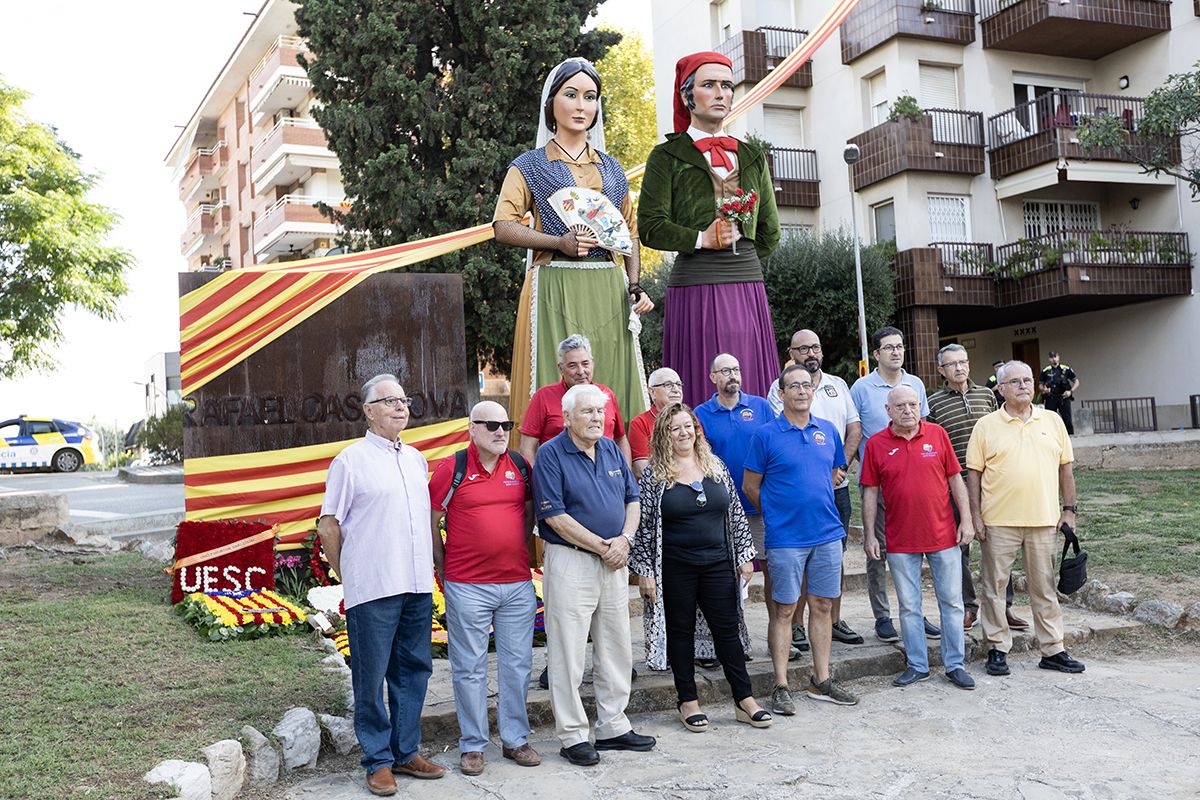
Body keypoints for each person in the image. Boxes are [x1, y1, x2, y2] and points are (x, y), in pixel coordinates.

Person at [493, 57, 653, 428]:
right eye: (571, 94)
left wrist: (634, 286)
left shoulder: (613, 168)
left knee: (611, 377)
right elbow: (503, 226)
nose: (582, 105)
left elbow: (629, 233)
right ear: (551, 103)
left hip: (608, 288)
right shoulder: (529, 165)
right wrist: (558, 241)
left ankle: (622, 473)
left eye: (590, 96)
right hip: (554, 283)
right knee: (553, 385)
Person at [318, 374, 446, 796]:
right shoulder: (350, 461)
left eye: (403, 400)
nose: (399, 406)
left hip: (415, 582)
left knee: (414, 670)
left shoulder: (415, 459)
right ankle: (377, 760)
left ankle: (405, 751)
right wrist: (346, 573)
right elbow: (328, 525)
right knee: (371, 677)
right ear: (368, 411)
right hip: (372, 586)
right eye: (388, 401)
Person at [638, 51, 781, 408]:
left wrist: (740, 256)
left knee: (750, 384)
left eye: (727, 85)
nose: (721, 93)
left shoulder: (751, 156)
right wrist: (702, 239)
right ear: (688, 96)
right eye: (709, 85)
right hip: (694, 287)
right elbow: (650, 228)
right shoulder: (666, 156)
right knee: (701, 381)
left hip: (746, 286)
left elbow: (770, 231)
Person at [532, 383, 656, 766]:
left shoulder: (610, 449)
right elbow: (554, 516)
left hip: (615, 559)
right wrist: (605, 547)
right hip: (573, 560)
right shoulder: (552, 454)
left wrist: (625, 540)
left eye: (600, 412)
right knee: (568, 651)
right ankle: (572, 735)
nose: (596, 418)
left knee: (616, 644)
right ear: (567, 417)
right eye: (587, 412)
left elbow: (631, 500)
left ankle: (613, 726)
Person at [630, 403, 771, 731]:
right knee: (681, 634)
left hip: (718, 563)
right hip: (676, 567)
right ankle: (688, 701)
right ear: (665, 433)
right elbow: (646, 525)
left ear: (696, 430)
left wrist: (744, 555)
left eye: (688, 426)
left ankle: (744, 699)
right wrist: (646, 572)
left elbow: (734, 511)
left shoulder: (714, 465)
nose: (683, 433)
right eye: (675, 428)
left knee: (728, 631)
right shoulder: (654, 473)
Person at [429, 401, 540, 776]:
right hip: (468, 585)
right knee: (469, 668)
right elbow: (433, 520)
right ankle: (473, 745)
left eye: (506, 424)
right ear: (472, 429)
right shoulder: (453, 468)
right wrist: (443, 568)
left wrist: (516, 551)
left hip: (516, 585)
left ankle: (515, 740)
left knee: (518, 666)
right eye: (490, 424)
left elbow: (527, 514)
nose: (500, 431)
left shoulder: (521, 467)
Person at [744, 364, 859, 713]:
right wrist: (778, 512)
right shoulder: (765, 435)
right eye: (793, 386)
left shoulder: (827, 431)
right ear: (781, 393)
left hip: (825, 534)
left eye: (806, 385)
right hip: (785, 539)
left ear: (813, 391)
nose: (801, 391)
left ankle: (820, 679)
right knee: (784, 610)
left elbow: (835, 473)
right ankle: (780, 685)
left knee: (822, 606)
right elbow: (751, 486)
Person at [966, 360, 1086, 677]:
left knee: (1044, 588)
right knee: (994, 587)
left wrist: (1069, 510)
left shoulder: (1053, 420)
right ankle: (996, 648)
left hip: (1044, 520)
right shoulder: (986, 426)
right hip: (998, 521)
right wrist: (975, 515)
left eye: (1028, 380)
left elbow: (1066, 469)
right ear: (1001, 388)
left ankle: (1053, 650)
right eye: (1015, 381)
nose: (1023, 385)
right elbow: (973, 474)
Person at [860, 385, 976, 691]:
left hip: (944, 536)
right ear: (888, 411)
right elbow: (870, 492)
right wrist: (870, 534)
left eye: (912, 404)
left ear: (919, 405)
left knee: (951, 603)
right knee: (909, 606)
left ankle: (955, 665)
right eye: (900, 406)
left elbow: (955, 480)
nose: (907, 410)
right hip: (900, 541)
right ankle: (917, 665)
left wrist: (965, 520)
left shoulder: (938, 435)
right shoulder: (876, 444)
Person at [767, 329, 864, 651]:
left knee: (832, 557)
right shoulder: (776, 389)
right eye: (803, 348)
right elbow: (776, 435)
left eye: (815, 348)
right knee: (797, 558)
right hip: (795, 493)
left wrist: (840, 467)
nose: (811, 353)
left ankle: (833, 619)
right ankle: (794, 624)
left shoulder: (838, 385)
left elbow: (854, 427)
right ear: (791, 353)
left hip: (834, 487)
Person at [926, 344, 1027, 632]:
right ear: (941, 370)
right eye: (952, 364)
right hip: (955, 486)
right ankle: (968, 608)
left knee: (999, 547)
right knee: (960, 548)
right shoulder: (934, 404)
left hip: (993, 484)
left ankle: (1003, 607)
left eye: (963, 362)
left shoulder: (987, 395)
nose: (959, 368)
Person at [850, 326, 938, 645]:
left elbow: (924, 426)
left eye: (900, 346)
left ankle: (915, 611)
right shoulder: (860, 388)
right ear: (876, 354)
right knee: (877, 550)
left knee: (914, 548)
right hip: (878, 481)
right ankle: (882, 616)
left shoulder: (914, 383)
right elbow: (854, 430)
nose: (896, 352)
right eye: (888, 347)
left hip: (913, 481)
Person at [693, 353, 775, 632]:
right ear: (713, 377)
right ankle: (736, 635)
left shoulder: (761, 407)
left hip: (760, 505)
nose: (733, 375)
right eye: (725, 370)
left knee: (772, 571)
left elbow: (774, 449)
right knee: (728, 576)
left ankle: (780, 631)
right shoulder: (701, 414)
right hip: (723, 510)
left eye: (736, 369)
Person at [519, 334, 630, 466]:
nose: (581, 371)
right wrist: (538, 482)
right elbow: (527, 448)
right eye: (572, 366)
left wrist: (625, 477)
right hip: (562, 478)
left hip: (607, 477)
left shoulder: (606, 394)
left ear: (592, 363)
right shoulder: (543, 397)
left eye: (585, 364)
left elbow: (621, 439)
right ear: (561, 368)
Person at [629, 367, 685, 479]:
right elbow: (641, 470)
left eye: (678, 384)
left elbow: (700, 456)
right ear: (652, 392)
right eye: (668, 385)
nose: (676, 389)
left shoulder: (691, 419)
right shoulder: (640, 423)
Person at [1040, 351, 1080, 435]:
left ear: (1058, 357)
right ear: (1049, 359)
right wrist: (1045, 389)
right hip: (1051, 397)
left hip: (1064, 397)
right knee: (1050, 420)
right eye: (1051, 357)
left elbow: (1076, 381)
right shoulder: (1045, 370)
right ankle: (1050, 437)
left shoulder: (1066, 369)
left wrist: (1070, 391)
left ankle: (1071, 438)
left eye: (1055, 357)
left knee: (1067, 420)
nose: (1054, 359)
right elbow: (1040, 385)